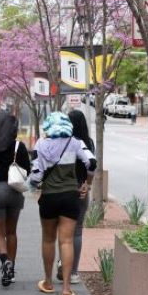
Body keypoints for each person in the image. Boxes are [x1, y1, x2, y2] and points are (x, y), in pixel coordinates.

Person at [30, 112, 95, 295]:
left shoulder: (41, 145)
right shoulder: (75, 142)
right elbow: (91, 162)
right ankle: (66, 289)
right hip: (70, 196)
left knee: (48, 239)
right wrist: (86, 184)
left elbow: (35, 175)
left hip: (49, 197)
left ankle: (48, 282)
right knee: (66, 241)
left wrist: (35, 186)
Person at [0, 112, 31, 287]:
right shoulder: (19, 146)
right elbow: (27, 169)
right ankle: (11, 271)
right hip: (14, 192)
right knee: (12, 232)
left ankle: (5, 262)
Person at [56, 110, 96, 285]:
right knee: (77, 230)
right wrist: (87, 184)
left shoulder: (61, 141)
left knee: (63, 230)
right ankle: (72, 272)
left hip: (62, 189)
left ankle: (61, 262)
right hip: (81, 189)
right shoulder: (88, 143)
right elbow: (92, 166)